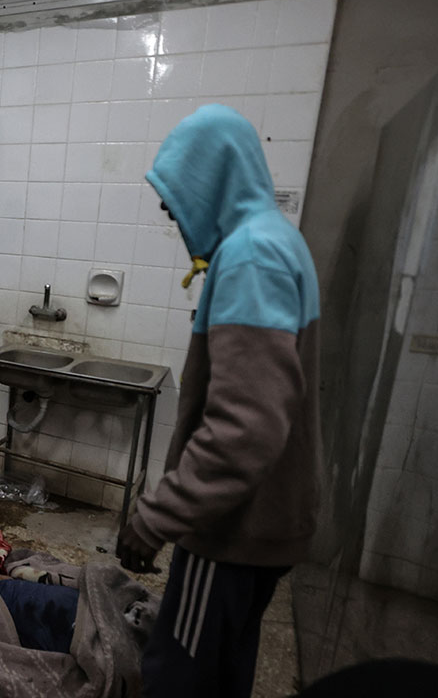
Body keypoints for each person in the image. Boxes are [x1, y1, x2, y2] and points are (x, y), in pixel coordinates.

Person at [114, 104, 322, 698]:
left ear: (210, 187)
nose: (173, 217)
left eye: (174, 201)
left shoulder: (250, 256)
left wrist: (155, 516)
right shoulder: (278, 240)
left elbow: (244, 429)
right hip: (265, 519)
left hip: (232, 529)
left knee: (178, 679)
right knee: (224, 672)